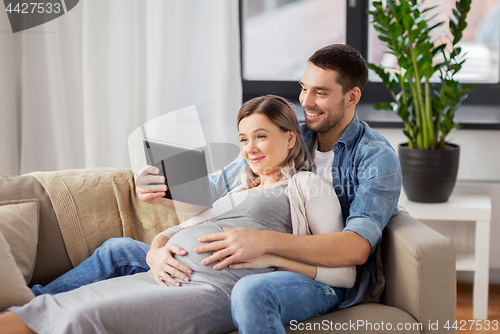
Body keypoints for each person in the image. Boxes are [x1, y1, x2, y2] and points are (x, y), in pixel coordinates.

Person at [14, 43, 402, 333]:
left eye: (321, 92)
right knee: (118, 249)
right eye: (304, 88)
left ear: (352, 97)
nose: (306, 101)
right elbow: (217, 190)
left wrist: (263, 243)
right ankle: (24, 304)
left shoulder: (372, 159)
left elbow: (354, 247)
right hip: (218, 260)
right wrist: (161, 187)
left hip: (312, 275)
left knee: (250, 294)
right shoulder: (289, 134)